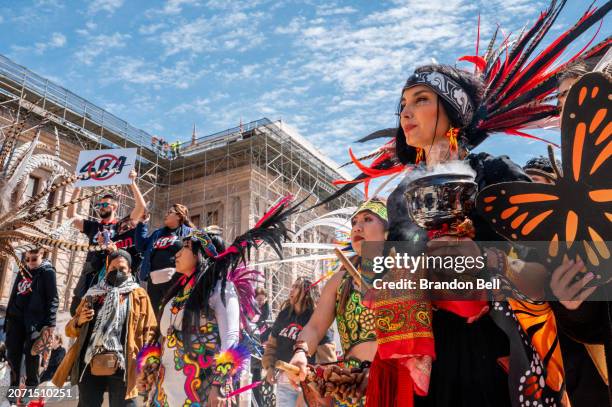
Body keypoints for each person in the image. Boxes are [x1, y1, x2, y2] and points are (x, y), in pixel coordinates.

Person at [288, 200, 383, 406]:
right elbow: (315, 327)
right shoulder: (340, 281)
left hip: (389, 384)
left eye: (368, 219)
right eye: (354, 222)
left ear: (388, 232)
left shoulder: (406, 273)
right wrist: (301, 353)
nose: (357, 227)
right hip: (350, 389)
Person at [138, 229, 244, 406]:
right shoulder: (174, 295)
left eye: (185, 247)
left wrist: (219, 384)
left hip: (200, 387)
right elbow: (162, 338)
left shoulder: (220, 289)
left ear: (201, 252)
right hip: (164, 389)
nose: (177, 253)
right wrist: (150, 367)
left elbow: (230, 338)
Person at [52, 250, 158, 407]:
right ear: (107, 269)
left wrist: (147, 364)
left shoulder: (139, 295)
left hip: (124, 365)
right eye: (113, 268)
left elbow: (150, 330)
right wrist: (79, 321)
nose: (117, 272)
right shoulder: (93, 293)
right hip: (89, 363)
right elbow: (70, 330)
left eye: (122, 268)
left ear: (129, 270)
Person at [67, 169, 146, 316]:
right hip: (91, 274)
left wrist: (132, 183)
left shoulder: (122, 226)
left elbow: (141, 209)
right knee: (77, 311)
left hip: (114, 274)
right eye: (99, 205)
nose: (101, 207)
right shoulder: (93, 226)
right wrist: (78, 187)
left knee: (109, 313)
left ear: (114, 207)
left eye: (105, 205)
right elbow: (71, 215)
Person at [263, 277, 336, 407]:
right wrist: (269, 367)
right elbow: (272, 345)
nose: (291, 290)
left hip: (309, 381)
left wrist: (315, 387)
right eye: (292, 286)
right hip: (284, 379)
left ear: (307, 292)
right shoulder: (284, 315)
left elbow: (327, 356)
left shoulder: (316, 318)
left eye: (296, 287)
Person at [5, 247, 58, 392]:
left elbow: (53, 299)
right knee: (13, 356)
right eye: (27, 259)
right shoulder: (23, 269)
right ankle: (12, 392)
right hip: (16, 319)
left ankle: (31, 389)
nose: (30, 262)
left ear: (42, 255)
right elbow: (14, 293)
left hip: (35, 321)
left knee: (32, 354)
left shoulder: (47, 272)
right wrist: (8, 315)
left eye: (34, 259)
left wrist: (51, 324)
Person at [134, 203, 195, 314]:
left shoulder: (189, 233)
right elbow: (141, 246)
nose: (165, 215)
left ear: (179, 216)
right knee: (154, 315)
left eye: (169, 212)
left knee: (173, 312)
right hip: (154, 281)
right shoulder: (158, 233)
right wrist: (142, 223)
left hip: (176, 280)